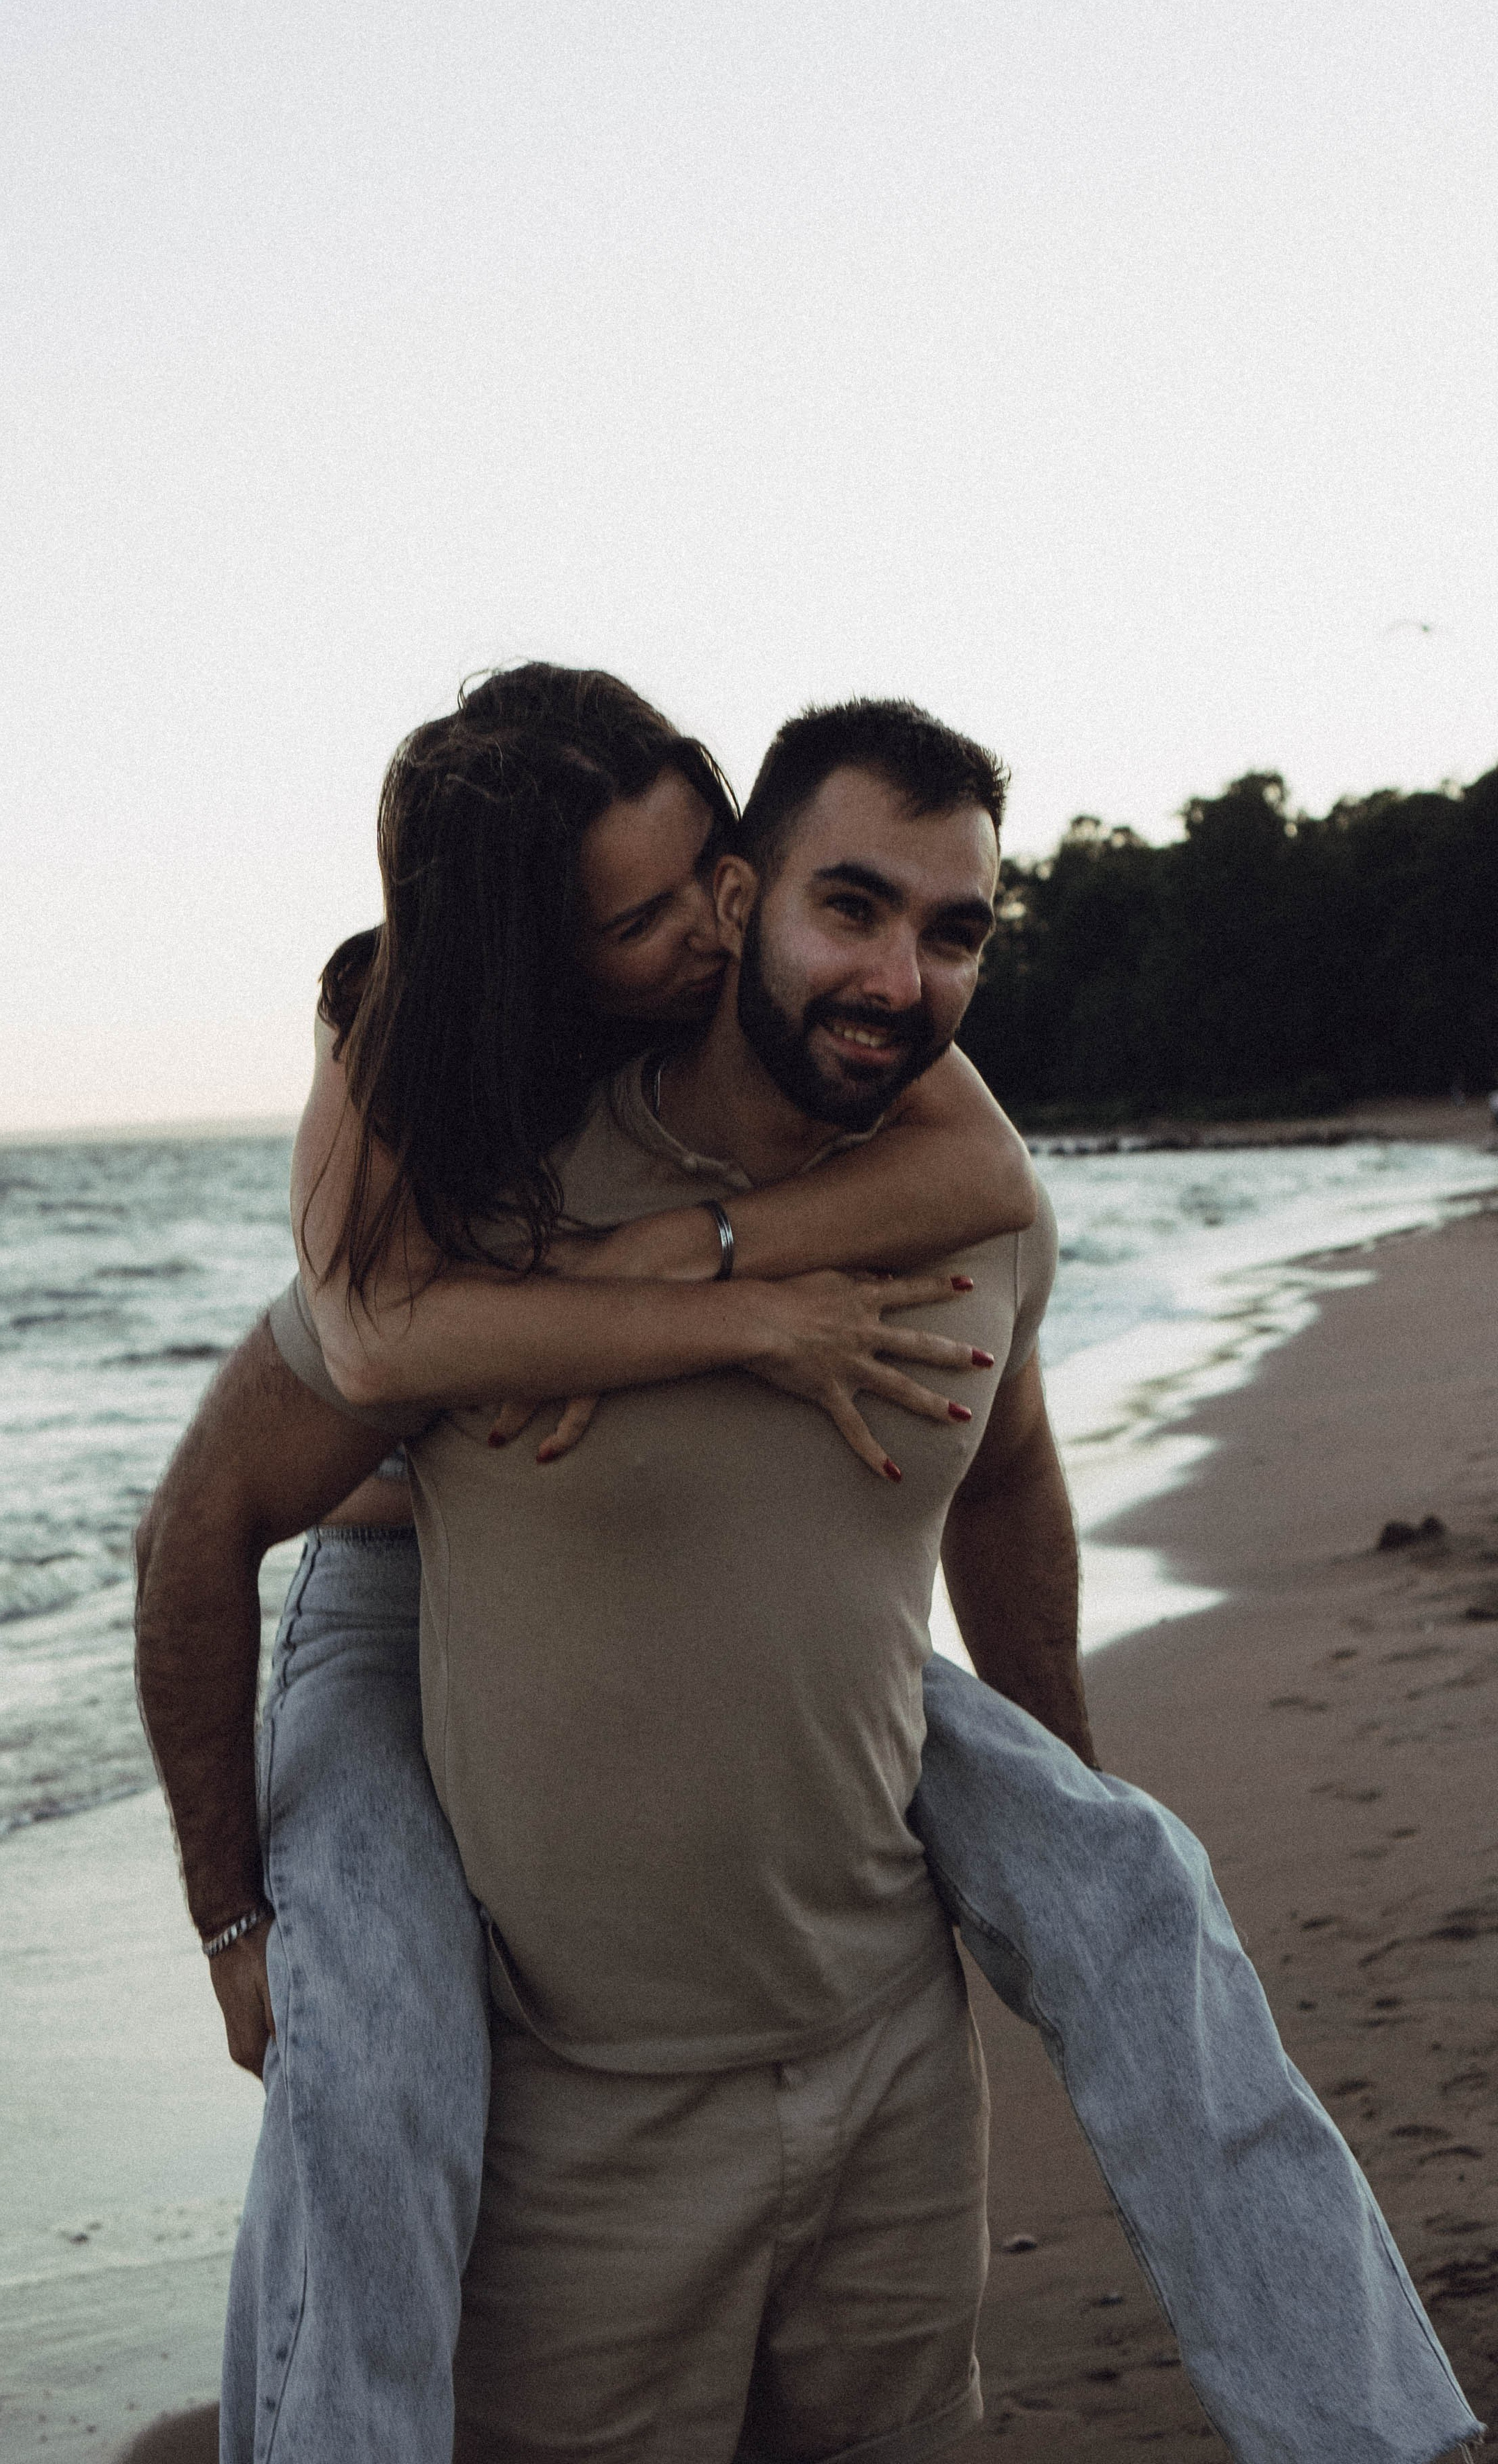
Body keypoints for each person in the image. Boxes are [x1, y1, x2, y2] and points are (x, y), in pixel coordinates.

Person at [136, 673, 1480, 2464]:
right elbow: (297, 1420)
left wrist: (1058, 1757)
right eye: (844, 906)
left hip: (884, 2087)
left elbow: (1002, 1473)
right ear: (715, 904)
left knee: (1125, 1875)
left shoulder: (957, 1184)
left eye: (951, 933)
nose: (890, 974)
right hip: (526, 1959)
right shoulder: (471, 1170)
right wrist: (232, 1913)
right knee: (359, 2063)